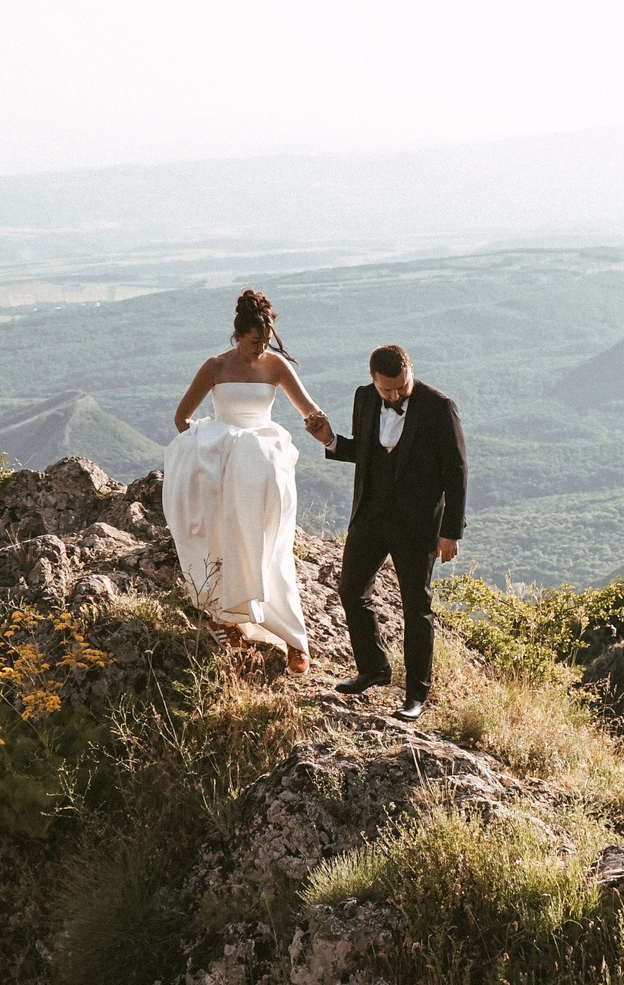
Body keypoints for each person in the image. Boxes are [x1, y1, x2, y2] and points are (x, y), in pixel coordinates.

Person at [165, 289, 329, 673]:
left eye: (266, 341)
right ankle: (226, 619)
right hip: (223, 459)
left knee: (271, 546)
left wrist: (318, 423)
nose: (261, 348)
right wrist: (203, 451)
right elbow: (182, 417)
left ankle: (294, 638)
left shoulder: (276, 366)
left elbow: (308, 409)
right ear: (238, 335)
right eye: (255, 341)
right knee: (223, 542)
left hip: (261, 458)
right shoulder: (215, 366)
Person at [311, 343, 466, 724]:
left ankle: (416, 695)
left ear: (410, 371)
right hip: (370, 516)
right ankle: (374, 668)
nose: (395, 396)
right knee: (351, 590)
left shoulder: (439, 406)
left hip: (417, 526)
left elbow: (456, 471)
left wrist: (450, 532)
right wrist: (330, 440)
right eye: (387, 390)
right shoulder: (364, 398)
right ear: (373, 380)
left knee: (416, 607)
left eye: (401, 387)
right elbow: (367, 452)